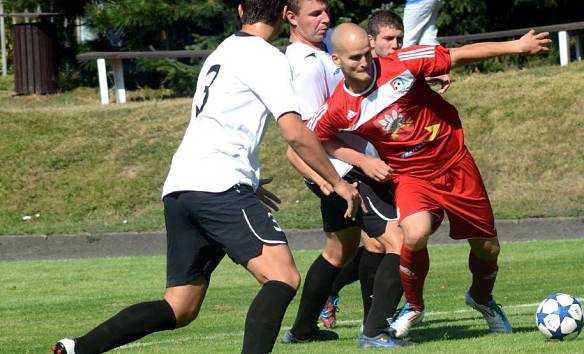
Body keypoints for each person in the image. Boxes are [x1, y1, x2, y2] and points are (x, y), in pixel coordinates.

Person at [50, 2, 361, 354]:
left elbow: (218, 122)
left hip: (183, 186)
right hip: (219, 185)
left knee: (180, 306)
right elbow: (295, 132)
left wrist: (248, 180)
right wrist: (336, 182)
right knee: (282, 277)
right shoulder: (267, 56)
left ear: (242, 9)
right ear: (283, 13)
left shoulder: (221, 52)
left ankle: (78, 348)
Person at [308, 23, 552, 340]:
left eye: (367, 55)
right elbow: (315, 138)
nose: (364, 63)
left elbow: (459, 55)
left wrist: (516, 46)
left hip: (455, 164)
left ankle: (481, 298)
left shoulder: (403, 63)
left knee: (488, 248)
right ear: (336, 60)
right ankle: (413, 305)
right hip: (411, 176)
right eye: (355, 58)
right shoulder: (340, 107)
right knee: (414, 232)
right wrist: (364, 161)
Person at [281, 1, 412, 348]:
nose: (325, 19)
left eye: (325, 11)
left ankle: (302, 329)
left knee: (340, 250)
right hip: (344, 171)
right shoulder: (307, 65)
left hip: (342, 170)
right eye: (315, 14)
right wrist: (345, 175)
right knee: (398, 241)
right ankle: (375, 330)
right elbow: (309, 135)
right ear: (290, 18)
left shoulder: (323, 52)